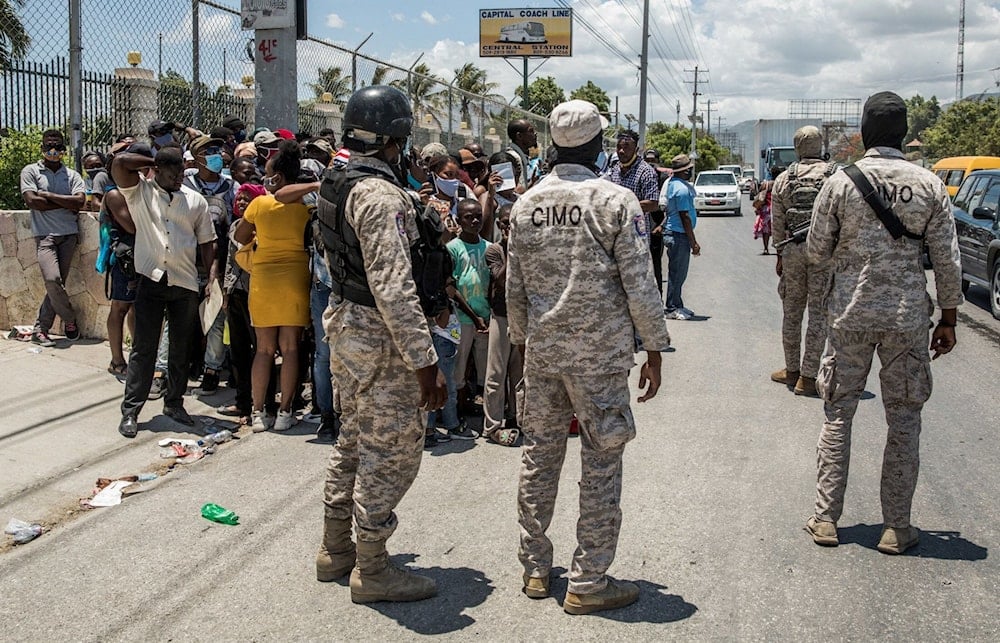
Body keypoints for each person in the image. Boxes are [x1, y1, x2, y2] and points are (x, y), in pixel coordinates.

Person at [507, 100, 670, 614]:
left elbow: (513, 288)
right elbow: (640, 284)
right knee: (601, 463)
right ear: (598, 144)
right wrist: (655, 349)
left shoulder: (526, 204)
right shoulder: (615, 200)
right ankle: (589, 581)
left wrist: (521, 343)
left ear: (553, 145)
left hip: (544, 354)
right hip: (599, 359)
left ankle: (535, 568)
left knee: (539, 457)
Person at [803, 91, 963, 555]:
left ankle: (826, 518)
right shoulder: (930, 184)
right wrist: (948, 319)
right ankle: (897, 527)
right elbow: (948, 262)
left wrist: (850, 263)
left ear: (866, 130)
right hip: (907, 319)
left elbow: (816, 251)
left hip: (849, 316)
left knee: (837, 415)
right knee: (904, 419)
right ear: (904, 131)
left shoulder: (840, 183)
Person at [313, 86, 446, 603]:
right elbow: (394, 286)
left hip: (346, 325)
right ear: (395, 138)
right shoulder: (381, 195)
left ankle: (336, 551)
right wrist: (424, 362)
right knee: (391, 451)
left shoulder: (337, 180)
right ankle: (372, 569)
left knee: (354, 440)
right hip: (381, 336)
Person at [111, 145, 216, 438]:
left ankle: (174, 403)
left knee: (180, 350)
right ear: (157, 171)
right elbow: (120, 163)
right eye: (173, 174)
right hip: (151, 280)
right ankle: (131, 411)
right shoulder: (140, 192)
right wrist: (156, 160)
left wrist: (212, 276)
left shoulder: (195, 201)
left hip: (184, 282)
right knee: (144, 349)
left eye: (181, 172)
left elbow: (208, 241)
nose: (179, 178)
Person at [233, 140, 312, 433]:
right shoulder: (306, 205)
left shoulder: (259, 204)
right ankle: (285, 411)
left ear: (277, 176)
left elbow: (241, 237)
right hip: (295, 277)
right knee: (290, 348)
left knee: (264, 349)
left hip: (263, 278)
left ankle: (257, 414)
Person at [770, 126, 838, 397]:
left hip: (792, 252)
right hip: (824, 253)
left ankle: (791, 370)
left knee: (792, 312)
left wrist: (779, 255)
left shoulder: (785, 178)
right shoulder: (835, 176)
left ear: (797, 147)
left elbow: (778, 224)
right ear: (820, 146)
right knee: (819, 314)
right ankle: (808, 377)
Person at [20, 129, 86, 347]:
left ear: (64, 150)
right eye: (49, 146)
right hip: (45, 236)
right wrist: (66, 202)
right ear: (42, 148)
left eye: (58, 146)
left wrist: (47, 196)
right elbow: (32, 202)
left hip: (68, 236)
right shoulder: (31, 171)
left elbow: (79, 203)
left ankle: (41, 330)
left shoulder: (73, 176)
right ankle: (69, 318)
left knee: (57, 284)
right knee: (52, 280)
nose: (53, 150)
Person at [184, 134, 236, 393]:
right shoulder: (184, 187)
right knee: (180, 319)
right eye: (209, 150)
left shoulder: (231, 187)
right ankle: (168, 370)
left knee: (215, 319)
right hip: (186, 264)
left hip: (220, 263)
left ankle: (212, 370)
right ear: (197, 158)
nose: (217, 153)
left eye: (218, 148)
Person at [217, 183, 269, 426]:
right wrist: (226, 292)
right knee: (238, 351)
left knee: (262, 350)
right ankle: (242, 401)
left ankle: (265, 403)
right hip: (237, 293)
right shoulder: (235, 227)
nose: (241, 202)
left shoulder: (265, 228)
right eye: (240, 198)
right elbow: (230, 261)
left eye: (248, 199)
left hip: (257, 294)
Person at [446, 199, 492, 434]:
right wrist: (474, 317)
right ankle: (457, 412)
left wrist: (488, 315)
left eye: (477, 217)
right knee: (459, 367)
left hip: (486, 318)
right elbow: (451, 287)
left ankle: (486, 416)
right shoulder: (453, 248)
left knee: (485, 368)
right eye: (468, 217)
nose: (474, 221)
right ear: (459, 220)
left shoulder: (490, 247)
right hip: (463, 319)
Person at [481, 203, 523, 447]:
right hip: (500, 315)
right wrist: (513, 248)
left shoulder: (527, 250)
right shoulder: (495, 250)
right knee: (495, 374)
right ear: (499, 225)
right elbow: (499, 278)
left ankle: (518, 417)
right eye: (505, 223)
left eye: (513, 223)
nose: (509, 227)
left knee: (518, 374)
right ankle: (492, 425)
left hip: (520, 316)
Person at [659, 154, 701, 319]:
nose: (690, 171)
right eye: (689, 169)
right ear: (684, 171)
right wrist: (694, 242)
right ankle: (672, 308)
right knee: (677, 273)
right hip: (678, 235)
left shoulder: (674, 184)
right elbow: (685, 217)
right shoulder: (681, 189)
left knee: (678, 273)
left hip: (676, 233)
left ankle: (678, 304)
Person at [506, 118, 538, 190]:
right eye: (531, 131)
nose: (535, 134)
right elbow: (508, 193)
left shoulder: (521, 156)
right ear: (519, 136)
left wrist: (532, 183)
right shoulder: (512, 158)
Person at [753, 179, 773, 255]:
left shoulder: (765, 184)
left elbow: (760, 196)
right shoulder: (780, 183)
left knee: (766, 231)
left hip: (766, 209)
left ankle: (766, 248)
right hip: (776, 208)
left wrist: (758, 208)